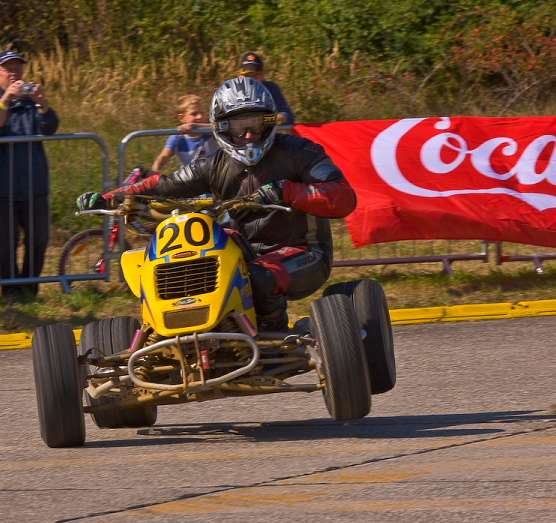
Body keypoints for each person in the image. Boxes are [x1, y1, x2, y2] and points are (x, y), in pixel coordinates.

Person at [78, 77, 356, 332]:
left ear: (269, 122)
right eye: (238, 126)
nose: (248, 135)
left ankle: (274, 334)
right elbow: (162, 184)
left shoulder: (300, 150)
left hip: (304, 252)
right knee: (196, 258)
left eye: (256, 124)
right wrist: (110, 196)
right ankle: (178, 329)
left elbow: (343, 197)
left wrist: (287, 191)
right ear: (222, 128)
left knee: (260, 276)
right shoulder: (213, 165)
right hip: (245, 251)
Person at [0, 50, 59, 298]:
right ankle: (10, 292)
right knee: (5, 244)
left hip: (34, 184)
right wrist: (6, 100)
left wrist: (43, 103)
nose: (15, 73)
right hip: (1, 186)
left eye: (18, 69)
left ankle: (29, 288)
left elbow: (50, 128)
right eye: (8, 69)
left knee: (38, 239)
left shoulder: (31, 101)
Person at [151, 94, 217, 172]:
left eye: (202, 113)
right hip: (191, 179)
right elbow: (164, 156)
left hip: (214, 176)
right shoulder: (178, 137)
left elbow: (217, 127)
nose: (199, 117)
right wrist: (154, 170)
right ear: (182, 118)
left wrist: (194, 125)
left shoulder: (209, 128)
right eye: (194, 114)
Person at [238, 52, 295, 125]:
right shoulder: (228, 91)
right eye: (246, 75)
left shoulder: (271, 88)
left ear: (263, 74)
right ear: (238, 74)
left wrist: (265, 120)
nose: (250, 80)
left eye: (255, 75)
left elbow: (288, 117)